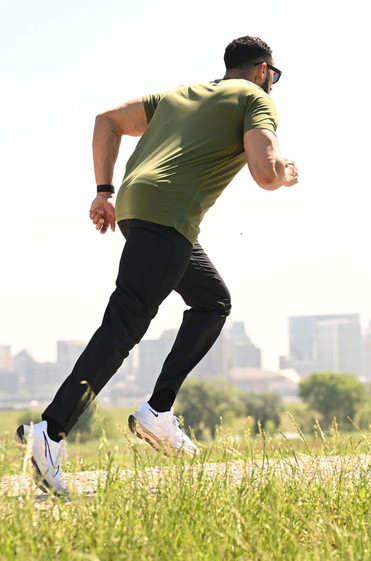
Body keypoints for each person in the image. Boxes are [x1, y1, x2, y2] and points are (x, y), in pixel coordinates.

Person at [16, 36, 299, 495]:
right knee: (125, 323)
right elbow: (265, 174)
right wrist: (286, 172)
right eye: (273, 77)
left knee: (212, 301)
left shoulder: (180, 95)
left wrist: (103, 190)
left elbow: (106, 121)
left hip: (137, 207)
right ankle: (50, 431)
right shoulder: (255, 99)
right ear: (264, 70)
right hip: (166, 216)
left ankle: (158, 411)